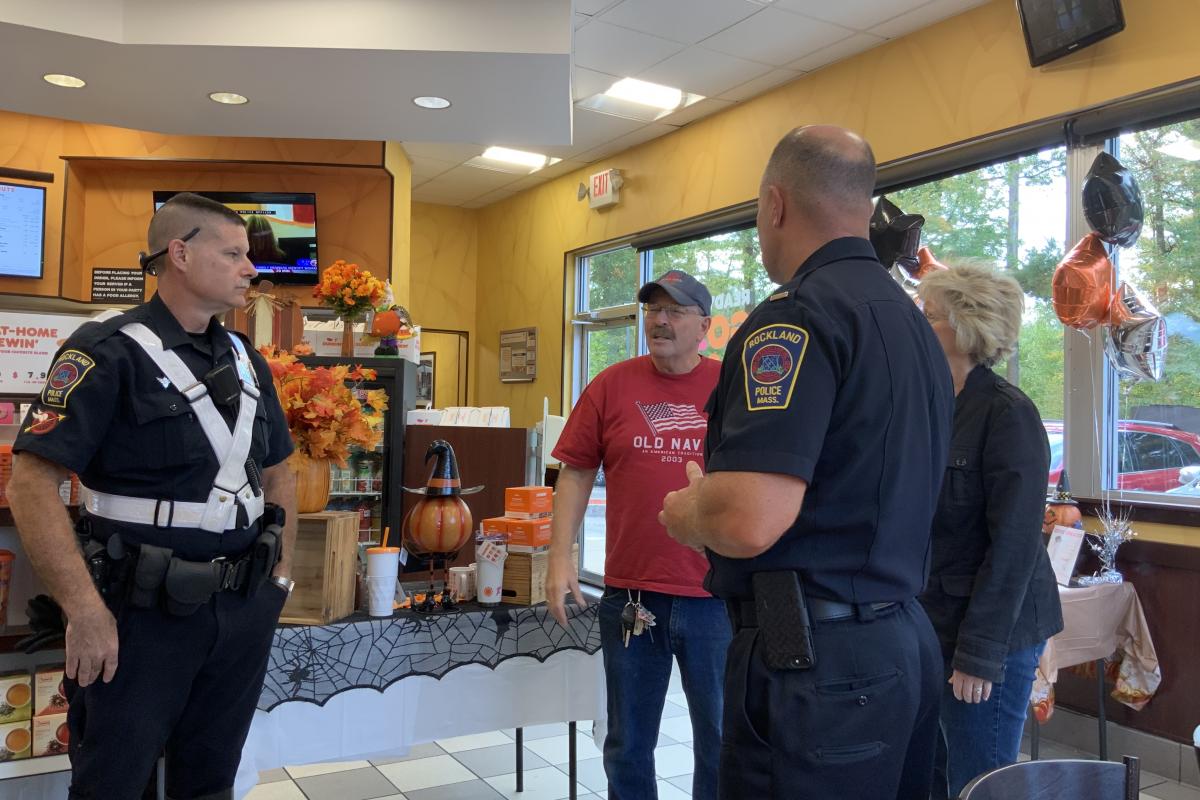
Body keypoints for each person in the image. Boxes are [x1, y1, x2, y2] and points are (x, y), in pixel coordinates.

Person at [658, 125, 954, 799]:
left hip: (815, 664)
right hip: (903, 643)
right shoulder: (914, 325)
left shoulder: (795, 319)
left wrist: (689, 511)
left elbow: (747, 518)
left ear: (774, 204)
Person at [6, 192, 297, 799]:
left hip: (240, 607)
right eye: (235, 254)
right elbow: (31, 483)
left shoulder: (246, 360)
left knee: (212, 779)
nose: (252, 268)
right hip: (138, 616)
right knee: (114, 783)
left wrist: (279, 578)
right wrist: (85, 613)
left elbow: (280, 471)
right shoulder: (105, 352)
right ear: (180, 254)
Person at [546, 269, 729, 800]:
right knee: (627, 743)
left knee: (721, 741)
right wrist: (561, 557)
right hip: (632, 595)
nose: (661, 321)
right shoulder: (612, 384)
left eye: (675, 311)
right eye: (654, 310)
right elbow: (576, 471)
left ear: (704, 326)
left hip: (716, 596)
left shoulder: (730, 385)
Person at [916, 262, 1064, 799]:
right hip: (930, 622)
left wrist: (979, 654)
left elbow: (1015, 547)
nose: (918, 325)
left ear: (966, 327)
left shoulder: (1008, 416)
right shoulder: (931, 407)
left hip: (989, 635)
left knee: (979, 783)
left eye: (928, 316)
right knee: (930, 776)